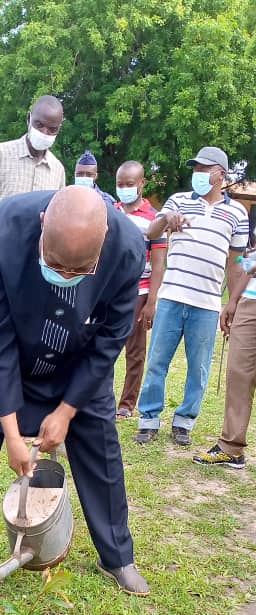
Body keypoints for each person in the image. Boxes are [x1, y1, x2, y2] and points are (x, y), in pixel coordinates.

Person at [0, 186, 150, 605]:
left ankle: (117, 556)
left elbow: (111, 338)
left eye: (79, 271)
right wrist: (10, 432)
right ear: (43, 225)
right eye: (56, 264)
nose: (65, 275)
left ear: (102, 251)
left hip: (79, 355)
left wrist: (66, 410)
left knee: (100, 444)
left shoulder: (130, 248)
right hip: (8, 347)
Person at [135, 147, 249, 447]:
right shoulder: (178, 201)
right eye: (196, 168)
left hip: (208, 303)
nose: (198, 173)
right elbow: (151, 231)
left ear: (221, 175)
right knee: (157, 361)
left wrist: (233, 302)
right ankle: (148, 421)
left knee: (198, 369)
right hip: (172, 296)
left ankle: (184, 422)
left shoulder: (237, 212)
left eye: (205, 168)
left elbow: (235, 262)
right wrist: (167, 218)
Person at [0, 95, 66, 279]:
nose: (44, 132)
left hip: (34, 268)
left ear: (59, 129)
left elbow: (55, 224)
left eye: (52, 129)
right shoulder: (0, 154)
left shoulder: (57, 170)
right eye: (39, 125)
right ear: (28, 119)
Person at [114, 160, 167, 419]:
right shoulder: (111, 211)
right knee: (103, 344)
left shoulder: (154, 219)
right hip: (111, 291)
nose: (124, 189)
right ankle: (98, 397)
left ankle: (126, 403)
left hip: (139, 292)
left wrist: (151, 301)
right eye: (120, 184)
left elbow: (158, 263)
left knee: (134, 350)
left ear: (142, 184)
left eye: (129, 184)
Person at [193, 256, 256, 469]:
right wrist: (233, 300)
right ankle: (231, 447)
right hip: (250, 301)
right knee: (238, 374)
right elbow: (251, 264)